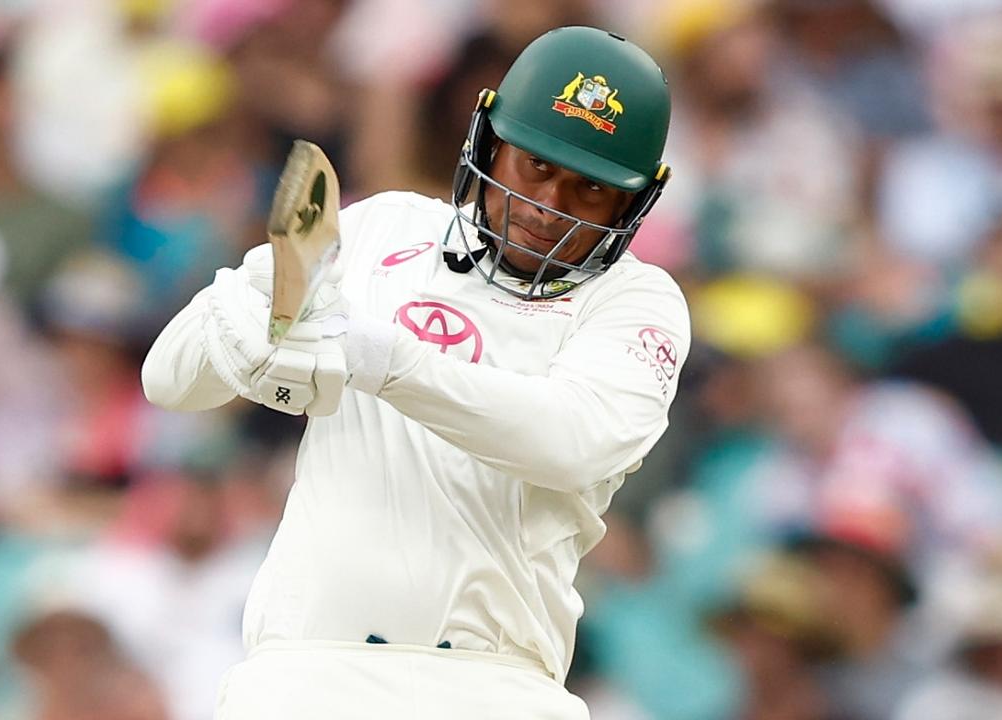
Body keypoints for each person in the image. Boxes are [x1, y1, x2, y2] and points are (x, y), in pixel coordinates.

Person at [141, 26, 689, 720]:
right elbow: (167, 381)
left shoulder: (635, 302)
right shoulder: (384, 228)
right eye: (537, 167)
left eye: (590, 190)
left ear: (633, 204)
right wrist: (247, 327)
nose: (551, 207)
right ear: (489, 143)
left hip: (494, 683)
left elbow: (574, 443)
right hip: (306, 672)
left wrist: (386, 359)